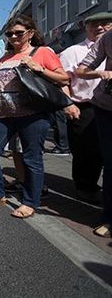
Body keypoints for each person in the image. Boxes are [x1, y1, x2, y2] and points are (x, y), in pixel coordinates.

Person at [0, 15, 69, 218]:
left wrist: (39, 68)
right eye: (10, 33)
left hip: (33, 115)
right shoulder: (4, 58)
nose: (14, 36)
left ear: (31, 33)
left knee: (31, 159)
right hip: (5, 114)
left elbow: (64, 78)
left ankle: (30, 202)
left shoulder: (42, 52)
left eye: (19, 32)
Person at [61, 13, 111, 204]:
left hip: (107, 104)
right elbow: (62, 82)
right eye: (94, 25)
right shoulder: (72, 52)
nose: (99, 27)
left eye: (105, 23)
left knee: (103, 150)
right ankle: (84, 186)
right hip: (83, 106)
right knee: (85, 149)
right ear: (85, 28)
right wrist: (68, 104)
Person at [76, 13, 112, 238]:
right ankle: (109, 217)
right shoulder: (107, 39)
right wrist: (100, 72)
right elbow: (81, 69)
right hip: (107, 108)